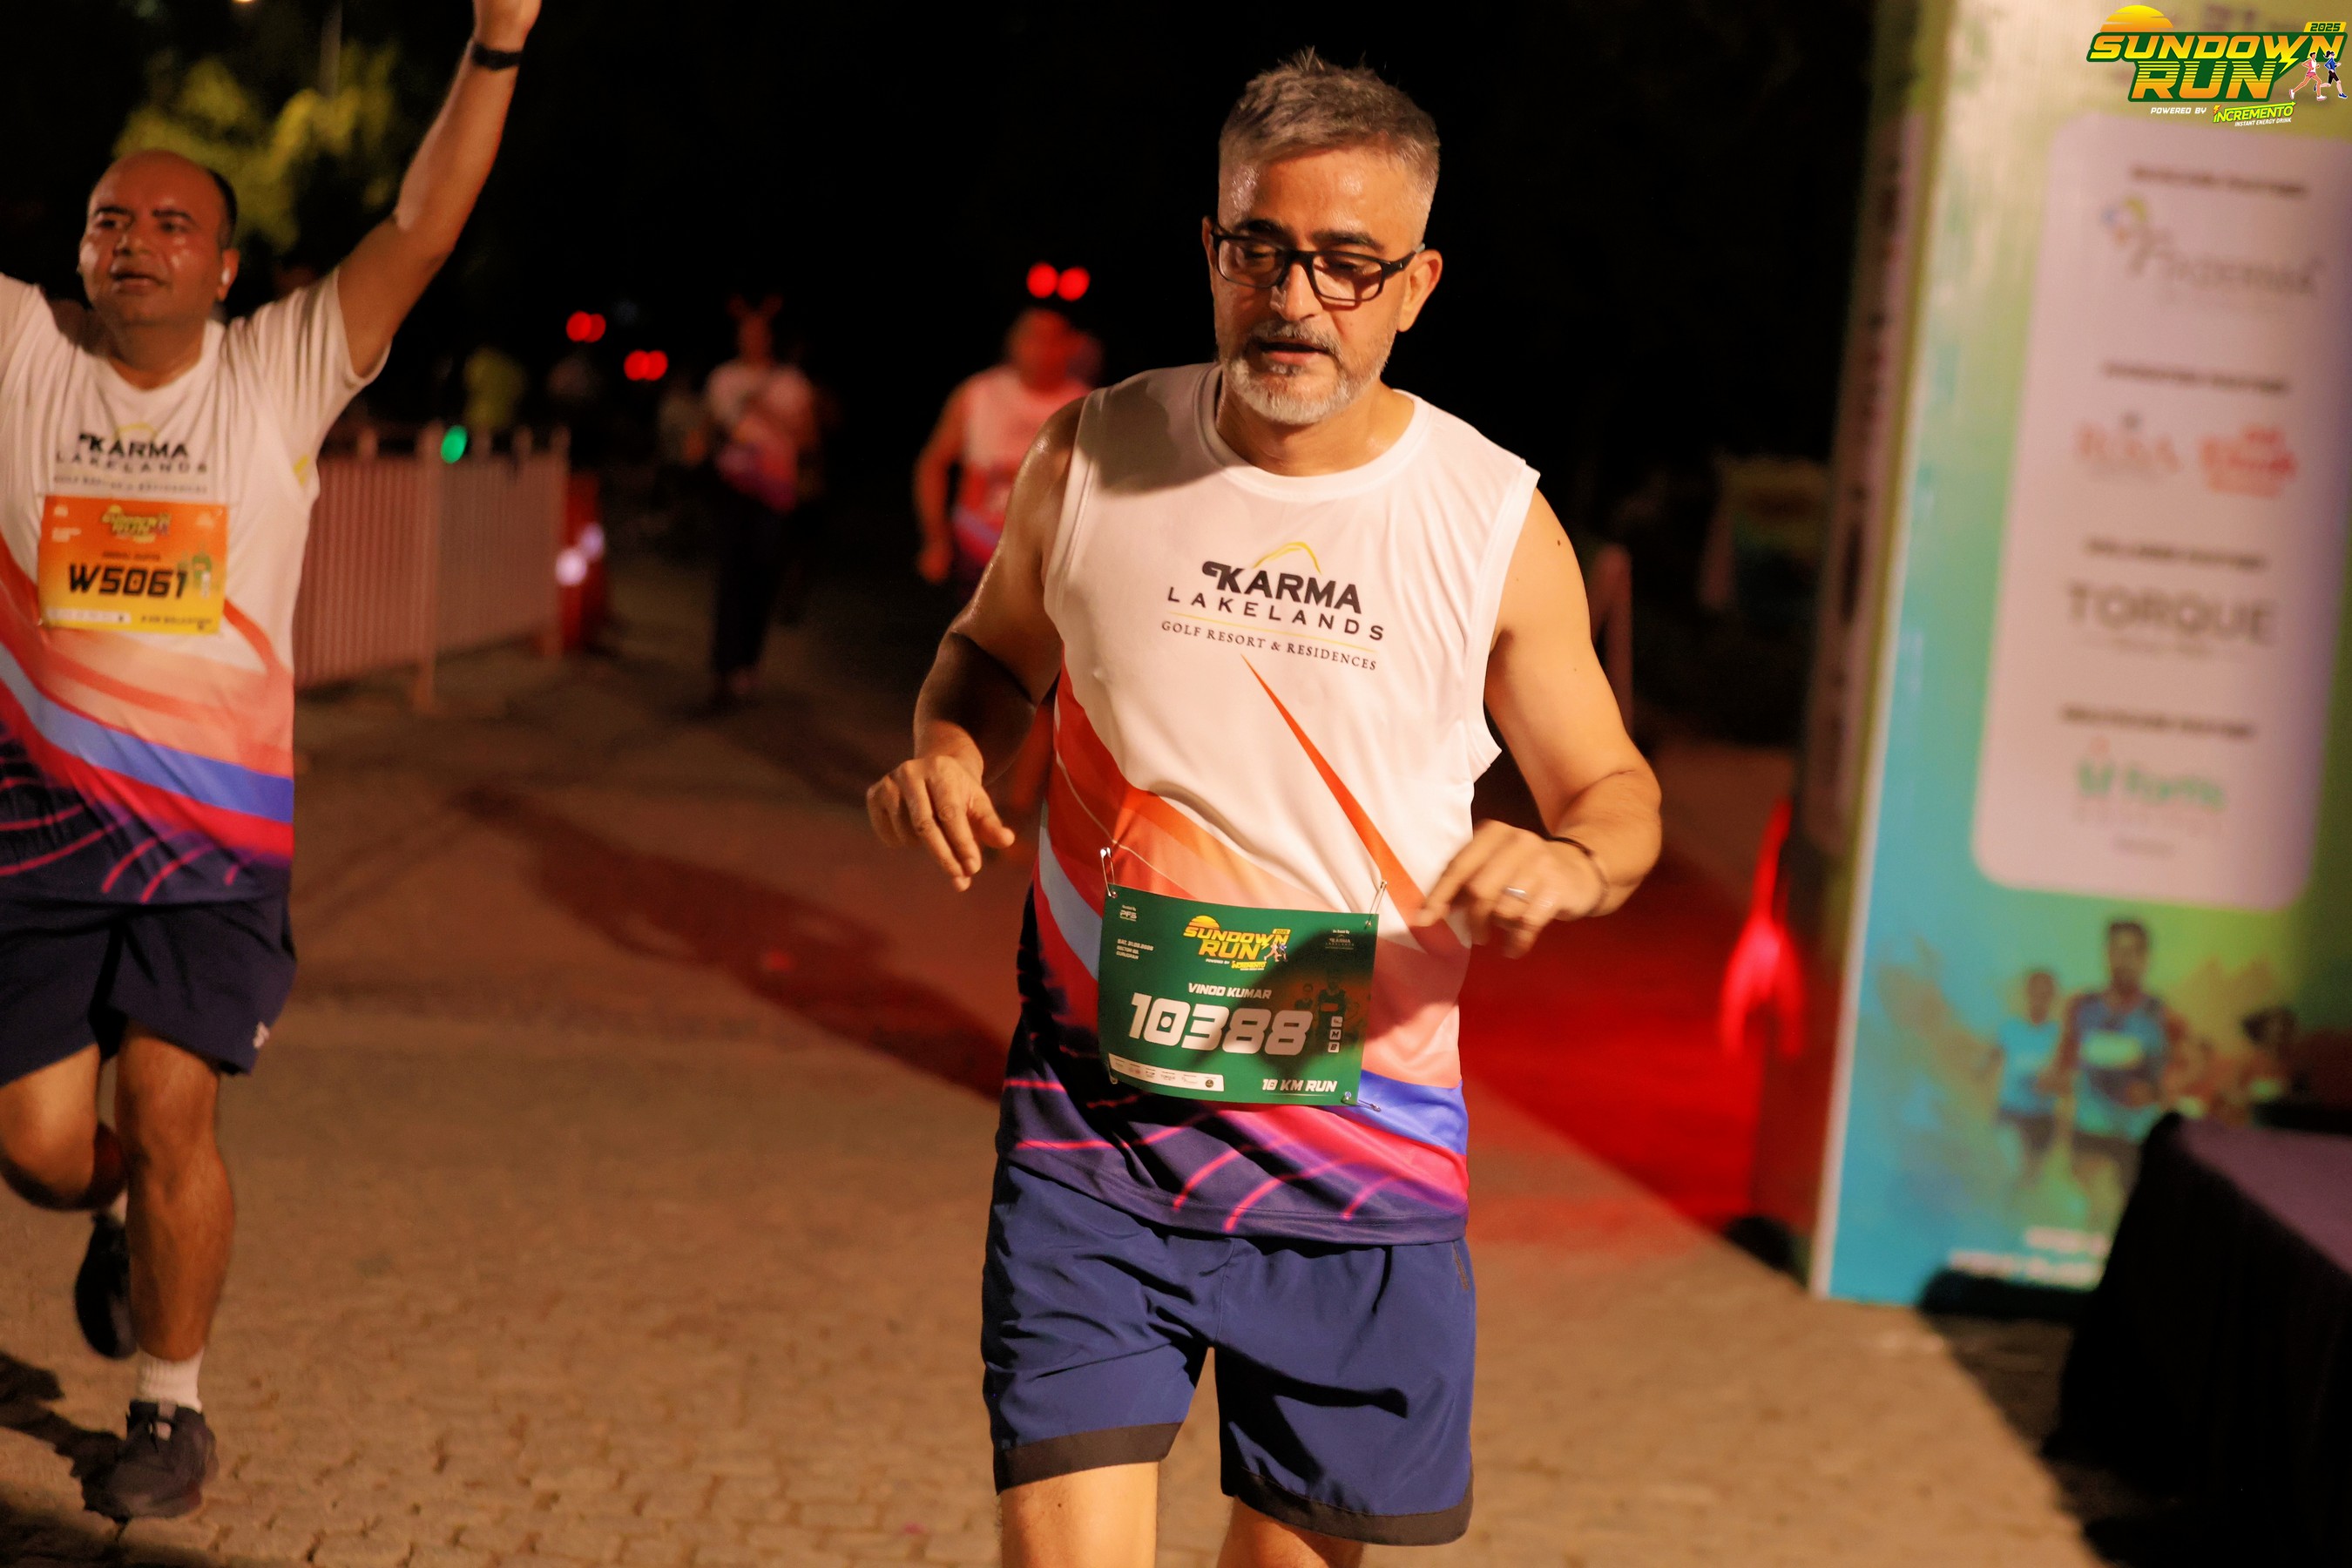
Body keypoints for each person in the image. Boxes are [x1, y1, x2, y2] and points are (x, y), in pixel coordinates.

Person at [867, 51, 1660, 1565]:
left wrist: (1572, 861)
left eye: (1349, 263)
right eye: (1260, 250)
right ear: (1212, 246)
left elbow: (1615, 793)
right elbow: (989, 654)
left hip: (1356, 1166)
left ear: (1417, 284)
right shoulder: (1091, 456)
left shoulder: (1488, 521)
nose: (1296, 298)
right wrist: (953, 750)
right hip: (1096, 1140)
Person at [0, 0, 541, 1520]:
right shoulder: (21, 353)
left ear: (226, 268)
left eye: (173, 224)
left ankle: (168, 1408)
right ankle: (115, 1220)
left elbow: (422, 226)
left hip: (209, 854)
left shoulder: (278, 372)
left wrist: (497, 43)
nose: (136, 243)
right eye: (111, 221)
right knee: (42, 1154)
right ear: (79, 250)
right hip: (37, 841)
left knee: (174, 1107)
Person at [913, 306, 1091, 597]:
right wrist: (936, 539)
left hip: (1048, 566)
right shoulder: (979, 393)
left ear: (1072, 344)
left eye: (1053, 339)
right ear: (1013, 340)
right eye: (1032, 337)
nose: (1042, 349)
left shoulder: (1086, 407)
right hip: (976, 555)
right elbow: (933, 463)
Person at [705, 296, 820, 706]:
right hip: (734, 488)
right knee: (730, 576)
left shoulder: (792, 383)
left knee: (762, 577)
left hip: (775, 493)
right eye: (745, 332)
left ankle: (748, 663)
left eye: (759, 332)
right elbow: (716, 428)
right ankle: (723, 667)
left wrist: (768, 413)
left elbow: (808, 439)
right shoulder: (722, 378)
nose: (751, 339)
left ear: (770, 337)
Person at [2047, 920, 2198, 1218]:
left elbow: (2194, 1064)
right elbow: (2063, 1064)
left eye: (2133, 952)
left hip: (2137, 1138)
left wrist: (2157, 1091)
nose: (2124, 961)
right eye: (2117, 951)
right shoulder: (2083, 1007)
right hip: (2089, 1131)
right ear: (2107, 954)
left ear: (2145, 959)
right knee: (2090, 1213)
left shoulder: (2160, 1013)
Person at [1990, 969, 2061, 1184]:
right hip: (2011, 1112)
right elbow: (1989, 1060)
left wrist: (2052, 1082)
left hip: (2042, 1118)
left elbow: (2067, 1078)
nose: (2040, 1000)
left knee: (2032, 1181)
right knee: (2008, 1174)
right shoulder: (2009, 1029)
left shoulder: (2059, 1035)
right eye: (2036, 993)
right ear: (2027, 994)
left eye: (2045, 995)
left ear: (2052, 997)